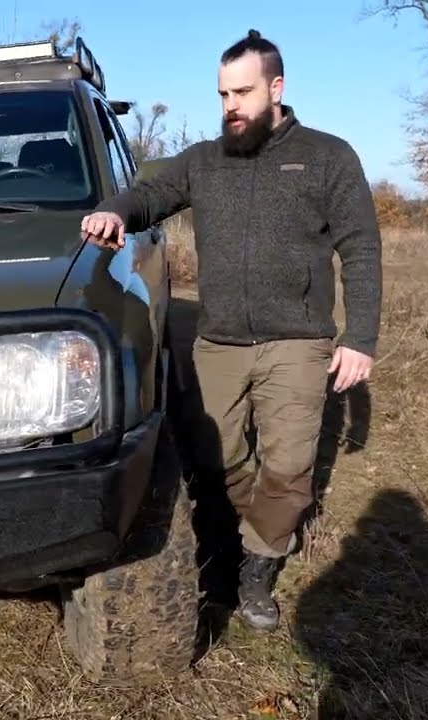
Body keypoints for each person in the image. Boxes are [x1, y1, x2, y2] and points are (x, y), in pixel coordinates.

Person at [81, 29, 382, 632]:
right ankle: (260, 534)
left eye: (242, 93)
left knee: (291, 467)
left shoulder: (328, 157)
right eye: (222, 95)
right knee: (220, 461)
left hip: (297, 341)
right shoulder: (203, 160)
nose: (231, 107)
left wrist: (359, 338)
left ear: (277, 88)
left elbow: (361, 248)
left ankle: (257, 565)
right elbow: (151, 193)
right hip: (217, 343)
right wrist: (116, 210)